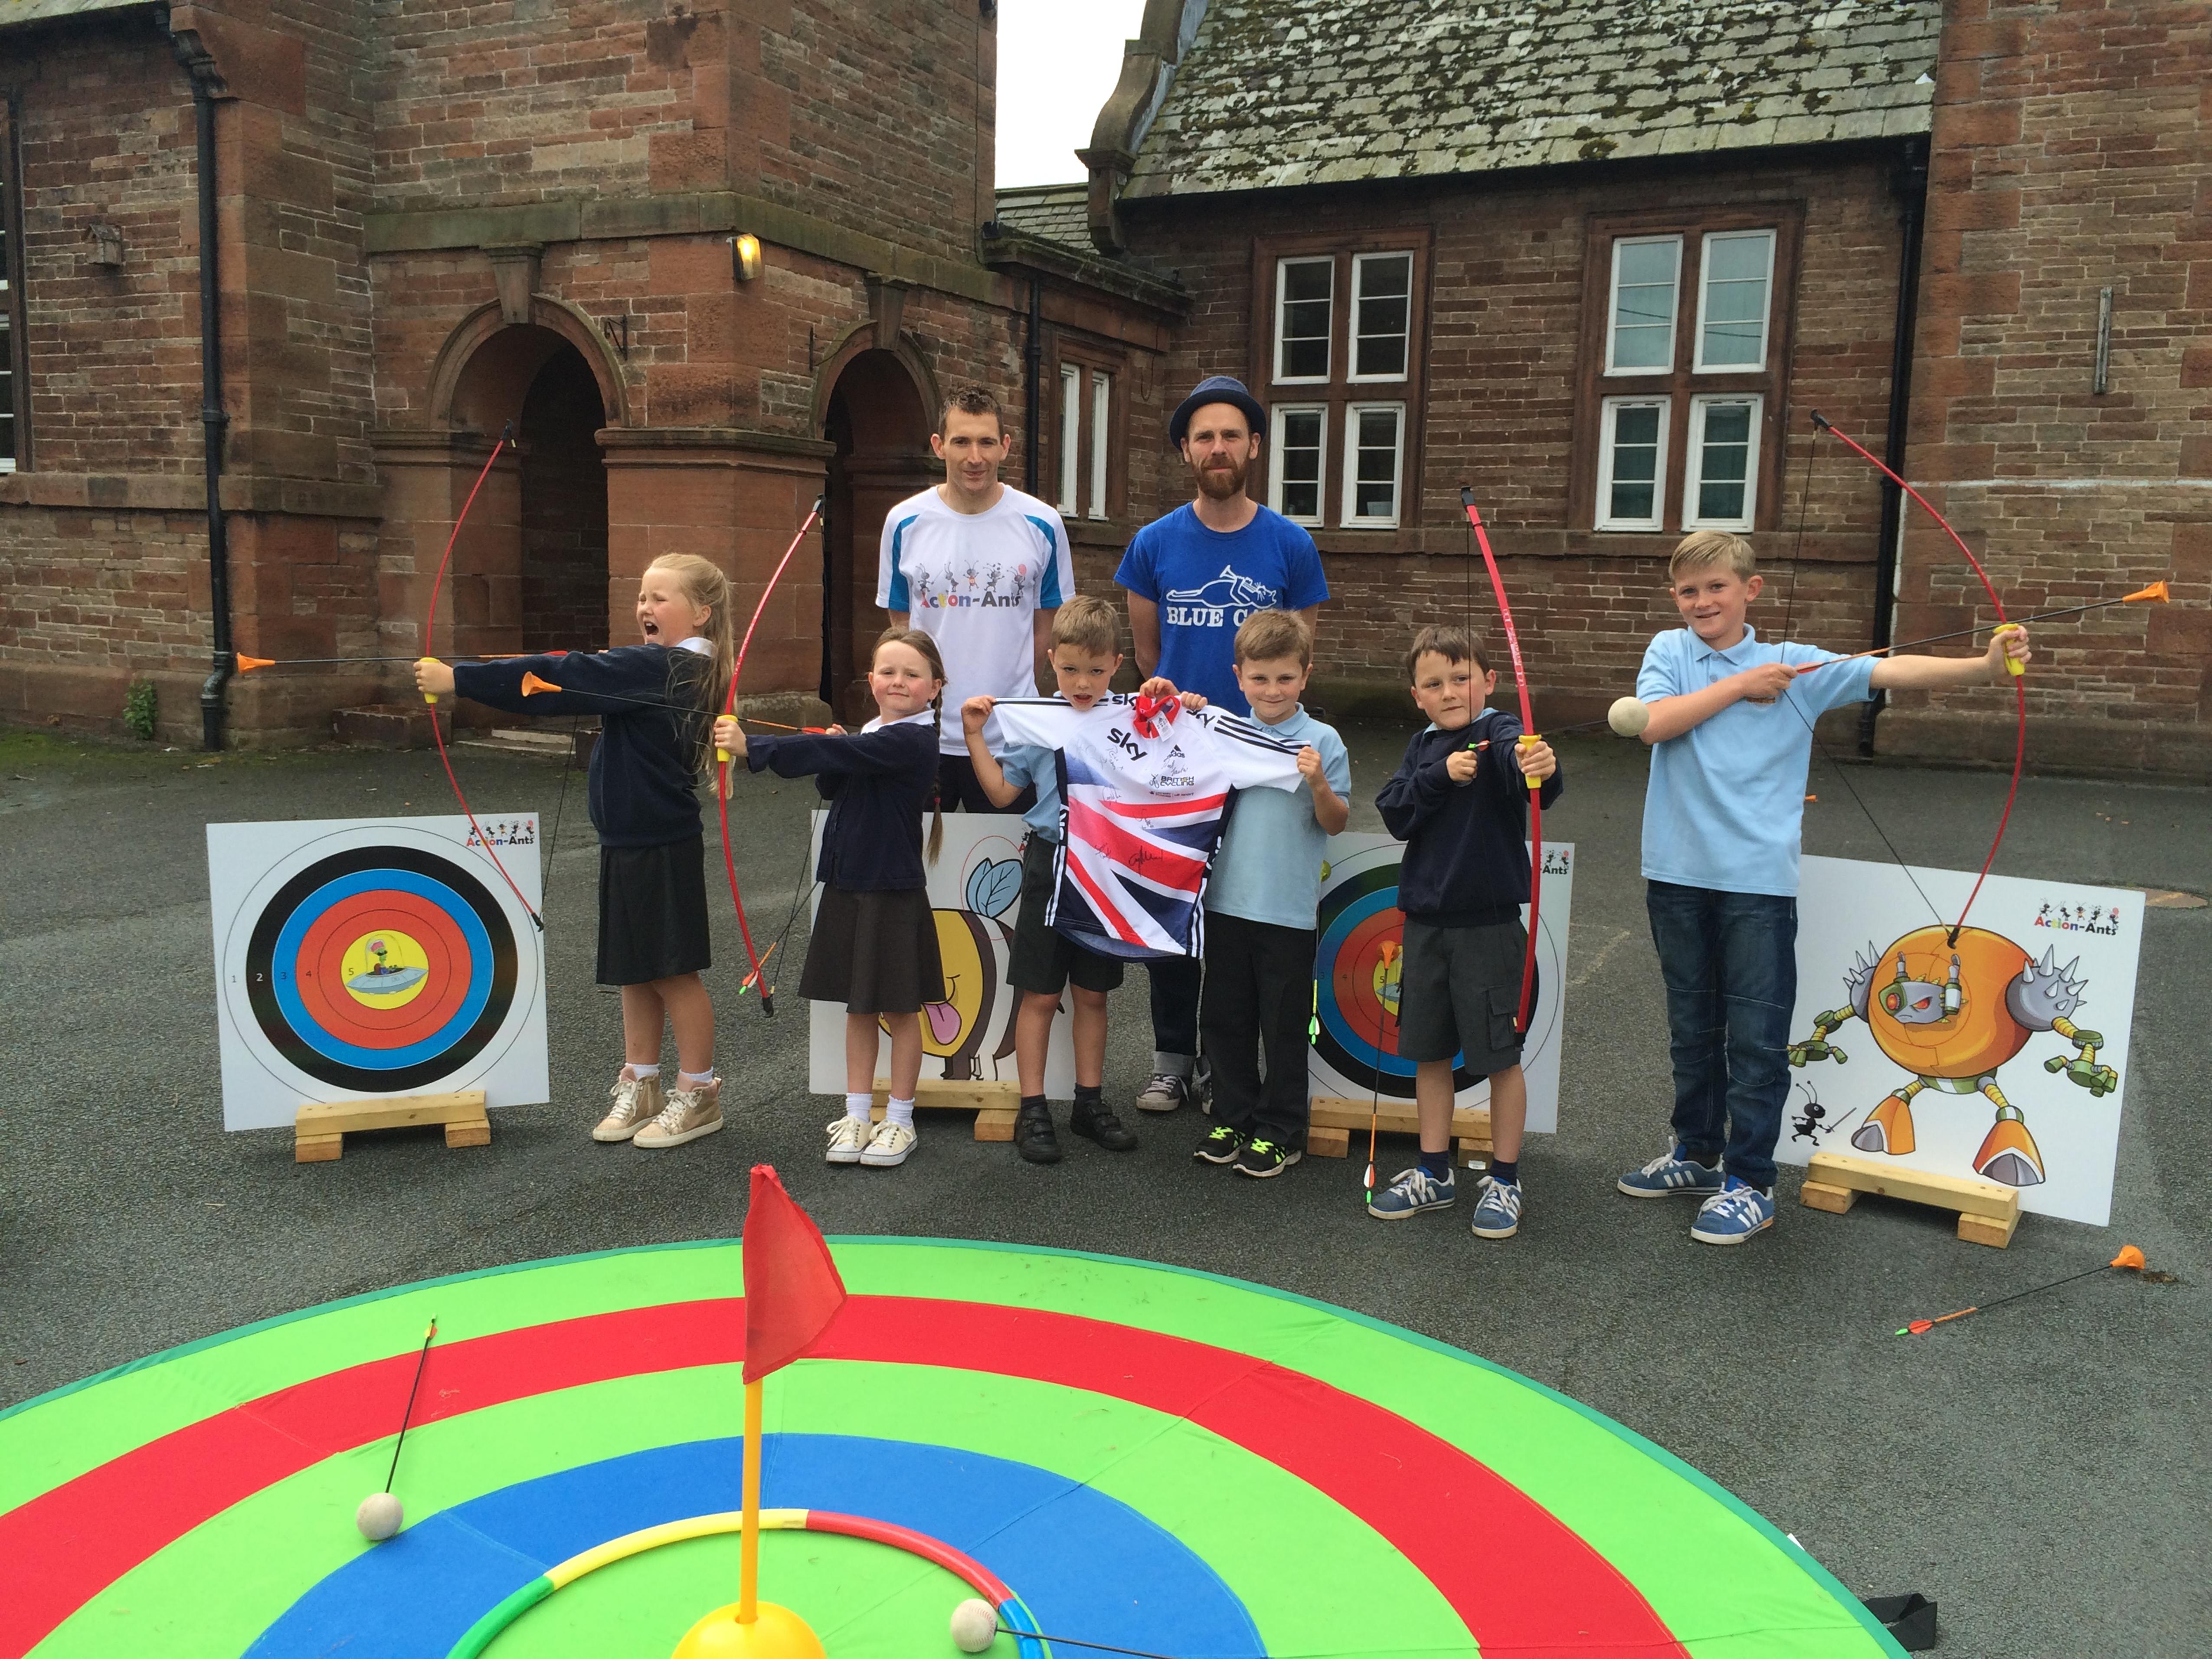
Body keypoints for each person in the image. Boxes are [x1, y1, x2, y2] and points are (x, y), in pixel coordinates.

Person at [1616, 530, 2032, 1244]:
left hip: (1757, 885)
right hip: (1675, 875)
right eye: (1688, 590)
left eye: (1716, 586)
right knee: (1692, 1027)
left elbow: (1892, 673)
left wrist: (1984, 667)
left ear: (1752, 590)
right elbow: (1653, 724)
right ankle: (1697, 1153)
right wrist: (1739, 687)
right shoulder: (1671, 653)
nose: (1701, 601)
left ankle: (1751, 1182)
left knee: (1755, 1036)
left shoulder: (1798, 665)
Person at [414, 553, 730, 1149]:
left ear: (702, 613)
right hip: (630, 838)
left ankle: (700, 1091)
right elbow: (582, 672)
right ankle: (643, 1081)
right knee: (636, 968)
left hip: (659, 842)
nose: (645, 608)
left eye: (661, 598)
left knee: (672, 968)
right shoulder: (654, 666)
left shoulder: (667, 666)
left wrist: (460, 679)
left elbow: (562, 675)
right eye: (643, 597)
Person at [1115, 374, 1329, 1114]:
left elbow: (1301, 651)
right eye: (1203, 436)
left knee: (1242, 920)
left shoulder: (1290, 545)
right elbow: (1149, 656)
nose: (1217, 448)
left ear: (1254, 447)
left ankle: (1228, 1065)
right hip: (1177, 759)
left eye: (1230, 435)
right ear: (1185, 450)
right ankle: (1173, 1057)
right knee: (1173, 904)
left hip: (1261, 758)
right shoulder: (1154, 544)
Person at [713, 628, 948, 1170]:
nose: (898, 682)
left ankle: (901, 1120)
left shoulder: (913, 739)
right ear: (871, 681)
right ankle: (859, 1113)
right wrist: (840, 749)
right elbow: (833, 783)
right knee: (858, 1005)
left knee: (900, 1007)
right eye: (888, 671)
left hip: (891, 890)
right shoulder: (870, 735)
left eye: (913, 675)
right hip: (848, 886)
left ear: (934, 688)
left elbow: (846, 755)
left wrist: (757, 747)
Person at [1369, 624, 1562, 1239]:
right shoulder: (1422, 748)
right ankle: (1435, 1170)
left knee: (1498, 1057)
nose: (1450, 691)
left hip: (1488, 927)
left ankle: (1504, 1178)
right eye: (1434, 683)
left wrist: (1538, 763)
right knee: (1429, 1051)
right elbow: (1395, 810)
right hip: (1426, 926)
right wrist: (1439, 775)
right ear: (1416, 695)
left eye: (1462, 678)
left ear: (1490, 682)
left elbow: (1529, 771)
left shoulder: (1502, 733)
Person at [957, 595, 1137, 1164]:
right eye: (1070, 669)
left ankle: (1088, 1102)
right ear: (1050, 659)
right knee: (1039, 993)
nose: (1083, 682)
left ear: (1118, 663)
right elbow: (1002, 794)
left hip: (1103, 867)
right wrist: (974, 738)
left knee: (1093, 993)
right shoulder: (1034, 723)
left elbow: (1174, 746)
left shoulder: (1131, 721)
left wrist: (1180, 703)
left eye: (1096, 669)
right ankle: (1032, 1107)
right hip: (1049, 863)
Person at [1192, 609, 1351, 1178]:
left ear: (1306, 676)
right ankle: (1234, 1115)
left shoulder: (1323, 741)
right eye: (1260, 679)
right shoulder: (1223, 732)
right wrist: (1185, 712)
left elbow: (1336, 822)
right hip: (1225, 905)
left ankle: (1282, 1128)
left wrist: (1318, 783)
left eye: (1285, 678)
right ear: (1239, 677)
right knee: (1226, 1018)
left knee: (1283, 1025)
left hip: (1286, 912)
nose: (1273, 690)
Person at [879, 384, 1073, 815]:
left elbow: (1049, 623)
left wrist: (1020, 687)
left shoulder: (1042, 523)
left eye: (987, 442)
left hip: (1010, 737)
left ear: (1005, 446)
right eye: (961, 442)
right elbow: (902, 627)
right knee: (922, 869)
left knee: (1005, 874)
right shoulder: (904, 522)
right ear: (939, 446)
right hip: (923, 733)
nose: (975, 457)